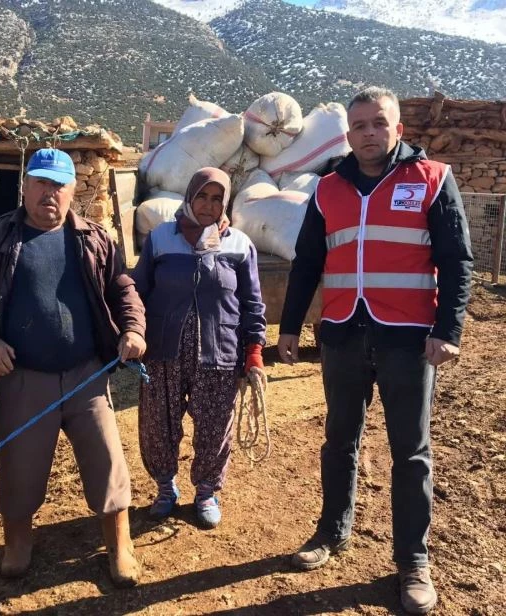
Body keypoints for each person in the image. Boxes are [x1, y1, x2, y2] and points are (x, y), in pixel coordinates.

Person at [278, 87, 473, 614]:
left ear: (397, 129)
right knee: (338, 440)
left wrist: (448, 330)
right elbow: (306, 263)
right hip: (341, 333)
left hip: (408, 338)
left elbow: (457, 260)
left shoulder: (432, 180)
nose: (368, 132)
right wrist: (290, 327)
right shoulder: (328, 188)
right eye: (359, 124)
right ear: (348, 133)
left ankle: (413, 560)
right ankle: (330, 532)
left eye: (378, 123)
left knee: (410, 452)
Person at [0, 148, 146, 587]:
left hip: (87, 375)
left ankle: (120, 544)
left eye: (58, 184)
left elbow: (122, 288)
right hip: (21, 377)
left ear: (74, 189)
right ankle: (18, 541)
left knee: (107, 460)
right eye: (40, 182)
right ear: (25, 186)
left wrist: (133, 330)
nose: (49, 193)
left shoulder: (94, 238)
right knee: (19, 468)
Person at [132, 167, 267, 529]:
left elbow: (252, 304)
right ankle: (165, 488)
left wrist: (254, 350)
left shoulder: (238, 244)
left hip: (220, 353)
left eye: (217, 198)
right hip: (163, 352)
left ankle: (206, 492)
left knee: (214, 426)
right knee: (158, 425)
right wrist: (132, 332)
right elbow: (137, 292)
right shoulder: (161, 238)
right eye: (202, 196)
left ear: (225, 203)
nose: (208, 205)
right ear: (189, 197)